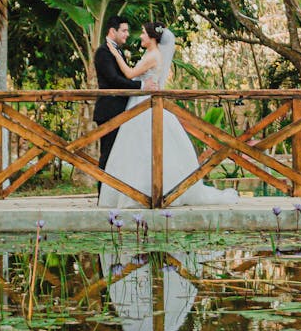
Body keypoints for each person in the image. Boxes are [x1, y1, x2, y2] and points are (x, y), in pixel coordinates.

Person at [98, 22, 240, 208]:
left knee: (148, 148)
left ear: (152, 37)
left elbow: (130, 73)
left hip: (147, 106)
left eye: (143, 33)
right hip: (140, 105)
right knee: (137, 150)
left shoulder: (154, 55)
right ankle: (138, 192)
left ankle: (154, 192)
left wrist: (116, 54)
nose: (140, 36)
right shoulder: (149, 54)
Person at [93, 14, 156, 177]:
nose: (127, 34)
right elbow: (114, 80)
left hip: (121, 109)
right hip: (109, 109)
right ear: (112, 31)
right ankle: (103, 194)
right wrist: (141, 86)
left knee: (119, 155)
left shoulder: (117, 51)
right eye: (124, 31)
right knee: (107, 154)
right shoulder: (103, 52)